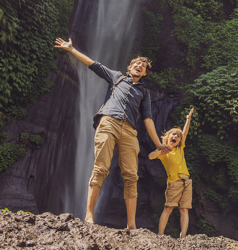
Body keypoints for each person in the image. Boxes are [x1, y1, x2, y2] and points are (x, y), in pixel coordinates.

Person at [54, 37, 170, 229]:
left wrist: (158, 144)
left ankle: (131, 225)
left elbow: (148, 119)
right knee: (101, 168)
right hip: (108, 121)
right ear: (130, 67)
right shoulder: (117, 77)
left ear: (145, 73)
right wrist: (72, 49)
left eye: (143, 65)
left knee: (131, 176)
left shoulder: (144, 93)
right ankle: (89, 215)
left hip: (130, 132)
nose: (139, 65)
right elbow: (94, 65)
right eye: (136, 63)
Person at [149, 107, 195, 237]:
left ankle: (183, 236)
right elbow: (150, 156)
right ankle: (160, 234)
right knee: (168, 208)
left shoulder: (180, 149)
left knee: (184, 209)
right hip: (174, 183)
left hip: (187, 182)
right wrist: (161, 150)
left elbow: (185, 133)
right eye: (173, 134)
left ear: (180, 140)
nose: (176, 136)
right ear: (167, 137)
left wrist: (188, 119)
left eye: (178, 136)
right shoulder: (164, 152)